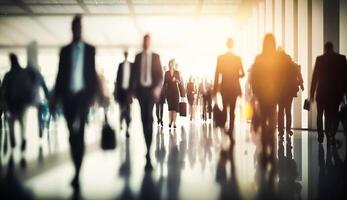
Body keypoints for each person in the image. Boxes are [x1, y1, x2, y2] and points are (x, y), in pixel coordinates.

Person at [50, 15, 98, 189]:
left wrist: (94, 95)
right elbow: (60, 74)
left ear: (81, 29)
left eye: (79, 28)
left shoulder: (90, 49)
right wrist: (54, 96)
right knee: (71, 134)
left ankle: (77, 172)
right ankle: (76, 166)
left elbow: (92, 74)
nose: (77, 31)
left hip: (83, 97)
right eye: (74, 28)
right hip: (67, 97)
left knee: (81, 133)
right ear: (72, 29)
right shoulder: (64, 51)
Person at [129, 34, 163, 171]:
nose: (146, 43)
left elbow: (160, 76)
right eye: (144, 41)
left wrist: (157, 90)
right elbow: (133, 76)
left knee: (149, 119)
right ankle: (147, 149)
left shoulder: (156, 57)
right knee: (144, 120)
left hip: (151, 92)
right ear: (142, 42)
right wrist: (131, 92)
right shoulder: (137, 57)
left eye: (148, 41)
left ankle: (148, 151)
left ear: (150, 43)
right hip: (141, 92)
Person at [250, 33, 281, 169]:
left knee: (263, 120)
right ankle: (272, 149)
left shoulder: (259, 58)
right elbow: (281, 78)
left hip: (262, 95)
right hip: (273, 94)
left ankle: (264, 148)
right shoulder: (277, 59)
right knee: (272, 119)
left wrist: (256, 93)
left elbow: (254, 78)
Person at [310, 42, 347, 143]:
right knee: (330, 115)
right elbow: (345, 77)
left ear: (325, 49)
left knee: (319, 114)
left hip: (321, 93)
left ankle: (320, 136)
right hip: (334, 94)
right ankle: (329, 134)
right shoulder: (341, 59)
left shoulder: (320, 59)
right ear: (332, 48)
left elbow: (315, 78)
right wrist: (344, 93)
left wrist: (312, 94)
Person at [213, 38, 245, 138]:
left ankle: (224, 123)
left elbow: (217, 74)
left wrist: (214, 90)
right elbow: (243, 73)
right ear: (233, 45)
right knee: (232, 109)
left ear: (226, 44)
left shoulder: (221, 58)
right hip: (234, 88)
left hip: (224, 88)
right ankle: (230, 129)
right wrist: (235, 75)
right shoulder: (237, 58)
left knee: (225, 107)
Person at [277, 47, 304, 137]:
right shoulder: (292, 63)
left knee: (280, 111)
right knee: (288, 110)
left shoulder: (277, 64)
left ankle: (281, 130)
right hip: (289, 90)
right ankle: (288, 129)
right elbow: (299, 74)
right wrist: (301, 84)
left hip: (280, 90)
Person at [26, 41, 50, 140]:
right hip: (36, 98)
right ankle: (41, 125)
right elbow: (44, 87)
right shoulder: (39, 75)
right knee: (41, 109)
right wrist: (48, 98)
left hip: (25, 98)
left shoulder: (25, 72)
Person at [115, 51, 133, 138]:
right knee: (122, 110)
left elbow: (133, 79)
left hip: (129, 93)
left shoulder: (131, 65)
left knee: (128, 112)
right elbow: (118, 80)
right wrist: (116, 93)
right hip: (121, 92)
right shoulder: (120, 65)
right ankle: (121, 123)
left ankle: (127, 129)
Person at [163, 59, 184, 129]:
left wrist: (176, 80)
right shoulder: (167, 73)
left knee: (175, 108)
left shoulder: (177, 72)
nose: (171, 65)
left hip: (175, 92)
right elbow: (164, 83)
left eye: (173, 63)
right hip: (169, 92)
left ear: (174, 64)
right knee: (170, 108)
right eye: (170, 63)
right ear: (169, 64)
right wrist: (164, 94)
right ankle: (170, 122)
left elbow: (180, 82)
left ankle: (174, 122)